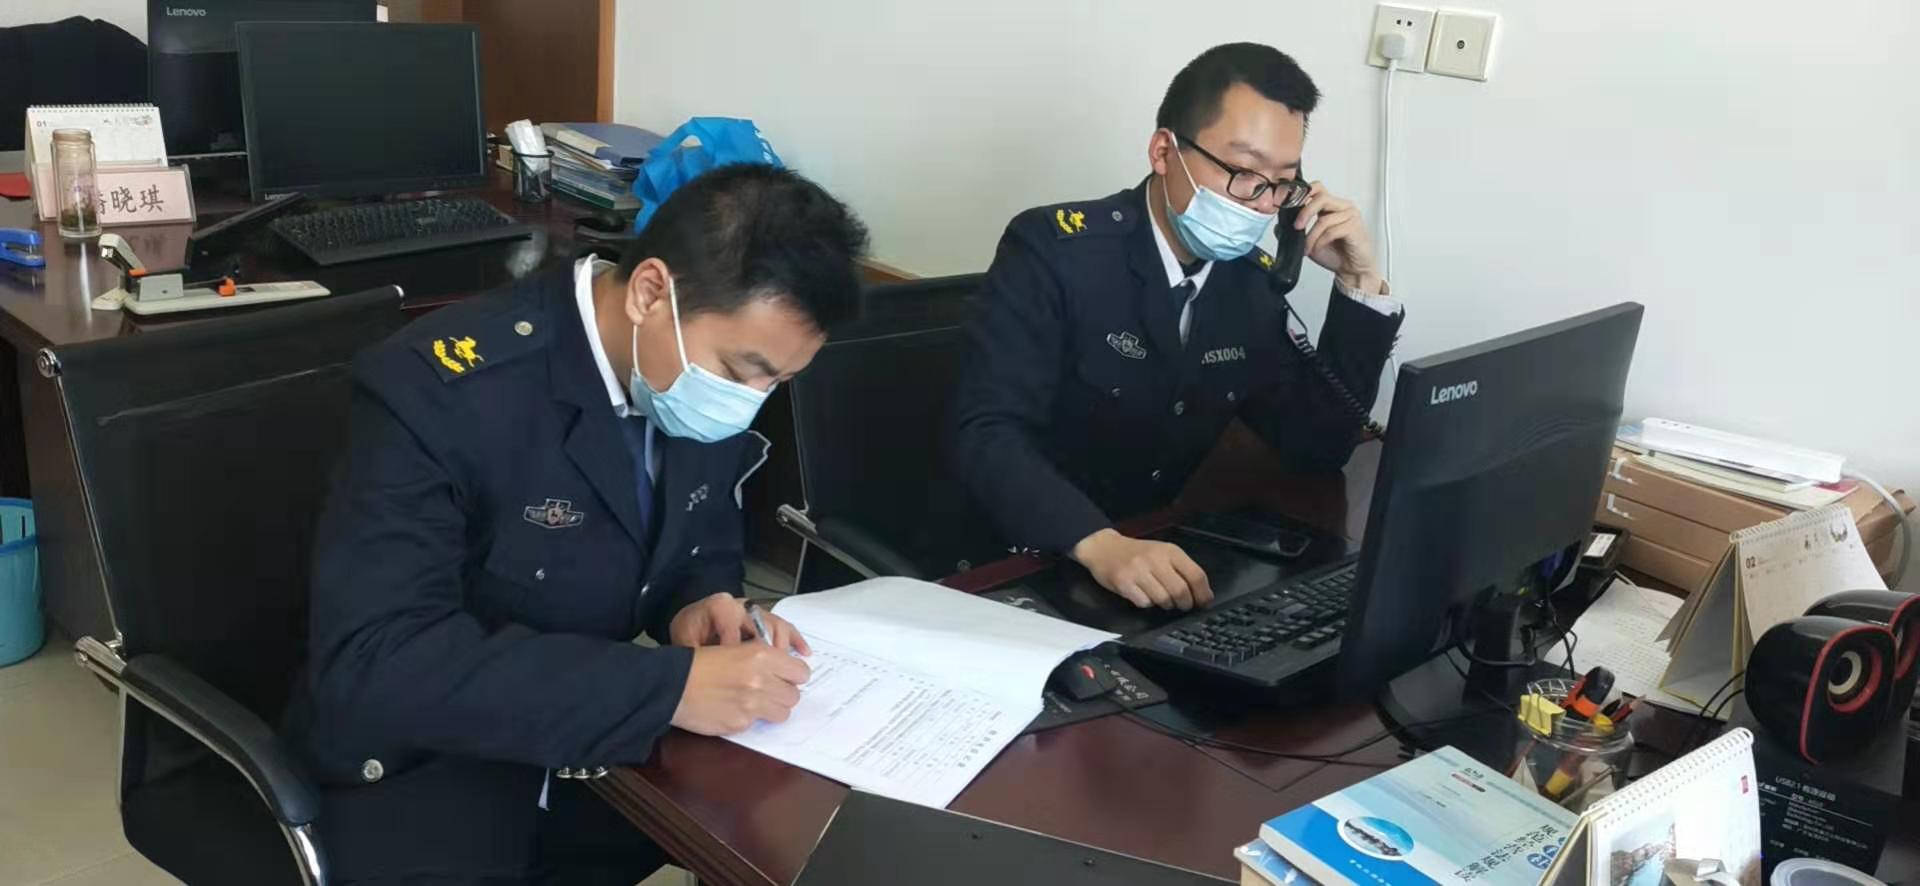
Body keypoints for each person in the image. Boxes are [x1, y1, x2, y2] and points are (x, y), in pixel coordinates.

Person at [286, 164, 869, 885]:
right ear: (651, 292)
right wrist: (665, 688)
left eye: (778, 381)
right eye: (741, 370)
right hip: (427, 768)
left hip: (587, 744)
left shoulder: (685, 375)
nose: (750, 400)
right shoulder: (440, 391)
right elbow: (376, 661)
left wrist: (699, 604)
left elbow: (697, 542)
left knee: (805, 839)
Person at [949, 43, 1404, 613]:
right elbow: (987, 433)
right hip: (1020, 560)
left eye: (1282, 183)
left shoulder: (1248, 284)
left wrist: (1360, 281)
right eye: (1243, 172)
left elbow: (1316, 445)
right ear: (1164, 151)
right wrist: (1099, 543)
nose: (1261, 204)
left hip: (1151, 562)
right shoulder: (1055, 252)